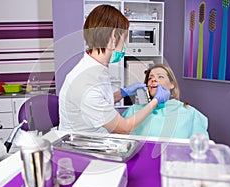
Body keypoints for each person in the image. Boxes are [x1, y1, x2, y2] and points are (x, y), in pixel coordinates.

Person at [59, 5, 170, 134]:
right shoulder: (85, 82)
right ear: (113, 37)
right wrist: (155, 101)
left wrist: (123, 93)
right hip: (81, 148)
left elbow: (100, 101)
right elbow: (125, 128)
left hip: (96, 139)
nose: (125, 45)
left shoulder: (97, 68)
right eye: (124, 38)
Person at [122, 63, 209, 139]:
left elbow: (201, 150)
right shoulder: (133, 111)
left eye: (160, 76)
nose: (153, 80)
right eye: (150, 78)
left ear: (172, 84)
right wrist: (122, 93)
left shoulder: (191, 114)